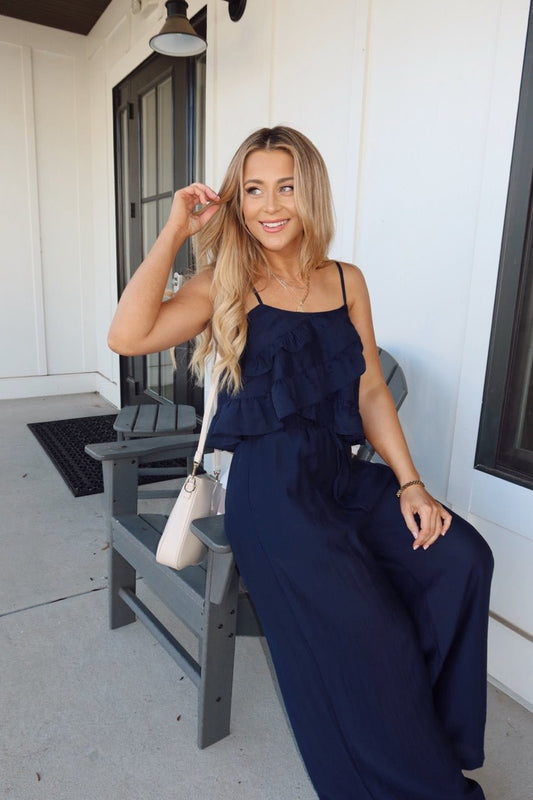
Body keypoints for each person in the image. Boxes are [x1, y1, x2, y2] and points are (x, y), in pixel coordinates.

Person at [108, 126, 493, 800]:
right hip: (272, 493)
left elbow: (369, 386)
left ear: (308, 191)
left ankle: (424, 734)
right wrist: (174, 231)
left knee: (459, 558)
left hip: (341, 475)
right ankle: (417, 785)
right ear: (235, 201)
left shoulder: (345, 279)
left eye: (285, 186)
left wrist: (410, 483)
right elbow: (127, 335)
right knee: (369, 632)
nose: (269, 204)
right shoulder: (224, 280)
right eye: (252, 189)